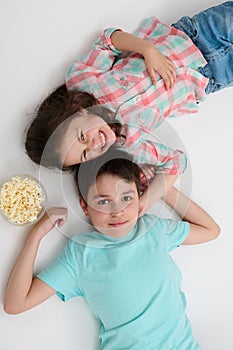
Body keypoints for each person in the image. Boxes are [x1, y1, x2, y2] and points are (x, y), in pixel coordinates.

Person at [4, 149, 220, 349]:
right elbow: (15, 304)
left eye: (127, 198)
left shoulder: (154, 229)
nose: (118, 211)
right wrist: (36, 235)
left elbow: (210, 230)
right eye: (103, 202)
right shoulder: (81, 253)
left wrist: (160, 190)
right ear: (84, 207)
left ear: (139, 196)